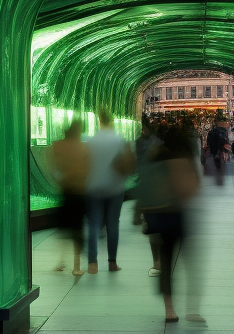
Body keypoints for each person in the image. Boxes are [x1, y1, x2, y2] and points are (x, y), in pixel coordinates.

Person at [144, 125, 200, 322]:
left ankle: (170, 309)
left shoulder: (157, 154)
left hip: (159, 214)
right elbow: (193, 187)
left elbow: (145, 182)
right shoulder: (184, 157)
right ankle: (193, 309)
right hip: (179, 213)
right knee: (190, 261)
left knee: (166, 262)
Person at [85, 110, 136, 274]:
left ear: (99, 121)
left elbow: (87, 164)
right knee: (113, 224)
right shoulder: (120, 140)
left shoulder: (91, 141)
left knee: (93, 224)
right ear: (112, 121)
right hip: (115, 187)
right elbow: (129, 161)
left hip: (94, 187)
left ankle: (92, 263)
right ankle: (112, 263)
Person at [49, 120, 89, 275]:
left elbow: (53, 167)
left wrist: (61, 179)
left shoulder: (59, 146)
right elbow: (88, 169)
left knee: (63, 229)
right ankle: (76, 266)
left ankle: (61, 261)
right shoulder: (83, 147)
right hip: (79, 193)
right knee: (77, 230)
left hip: (65, 191)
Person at [133, 117, 165, 276]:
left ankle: (158, 264)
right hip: (160, 195)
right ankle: (160, 263)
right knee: (158, 229)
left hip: (150, 192)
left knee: (154, 229)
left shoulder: (140, 143)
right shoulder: (159, 144)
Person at [205, 120, 230, 186]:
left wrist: (210, 147)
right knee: (222, 161)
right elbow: (227, 139)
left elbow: (209, 141)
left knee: (217, 161)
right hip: (222, 148)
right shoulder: (224, 131)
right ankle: (220, 172)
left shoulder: (212, 132)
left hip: (215, 149)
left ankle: (219, 170)